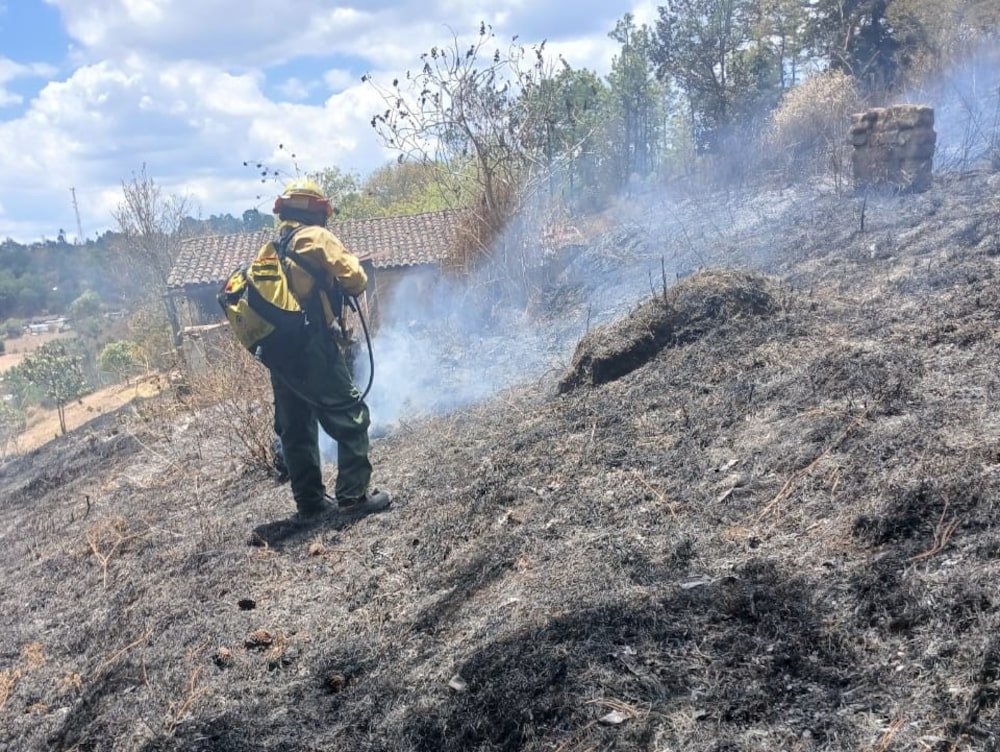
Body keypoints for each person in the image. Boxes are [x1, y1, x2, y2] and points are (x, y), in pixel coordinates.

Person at [263, 178, 390, 520]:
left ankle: (310, 504)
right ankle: (353, 497)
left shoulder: (273, 249)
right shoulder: (315, 237)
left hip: (279, 354)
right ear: (316, 211)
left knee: (296, 427)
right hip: (314, 346)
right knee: (351, 414)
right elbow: (357, 279)